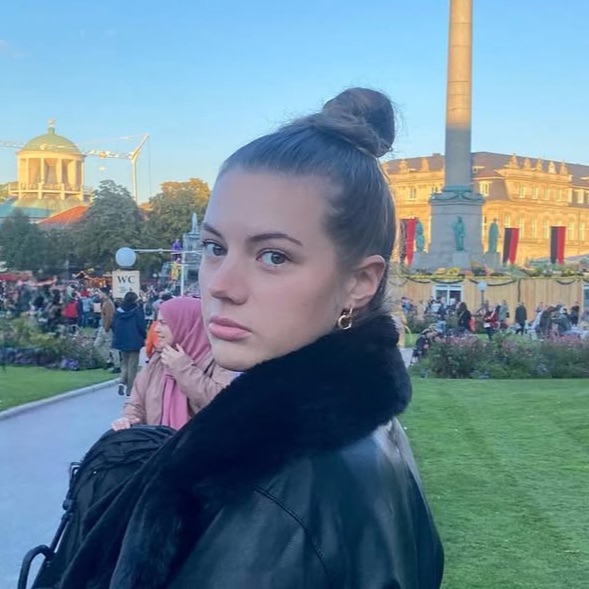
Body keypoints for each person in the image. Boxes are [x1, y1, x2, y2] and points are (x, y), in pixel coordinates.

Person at [61, 88, 443, 589]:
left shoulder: (274, 487)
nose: (221, 285)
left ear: (359, 282)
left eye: (273, 256)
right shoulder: (366, 429)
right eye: (215, 247)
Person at [112, 297, 234, 431]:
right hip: (161, 442)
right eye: (157, 322)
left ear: (186, 325)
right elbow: (136, 403)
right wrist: (128, 419)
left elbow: (223, 404)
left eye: (163, 323)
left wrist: (182, 368)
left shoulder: (221, 361)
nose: (156, 329)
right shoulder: (159, 358)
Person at [112, 291, 146, 396]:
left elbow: (114, 325)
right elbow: (141, 325)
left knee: (124, 363)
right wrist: (144, 336)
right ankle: (130, 390)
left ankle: (122, 381)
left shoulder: (118, 311)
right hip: (134, 340)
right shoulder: (137, 310)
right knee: (132, 366)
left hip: (122, 340)